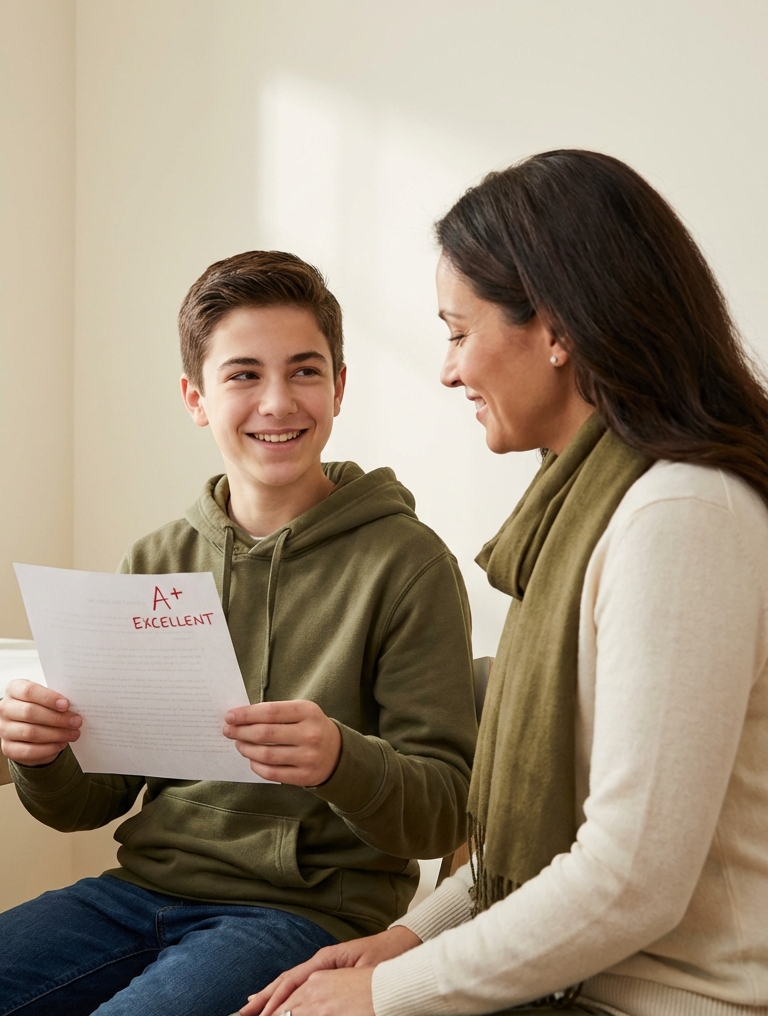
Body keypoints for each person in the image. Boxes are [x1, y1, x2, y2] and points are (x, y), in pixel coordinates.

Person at [0, 251, 478, 1016]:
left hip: (305, 914)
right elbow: (92, 802)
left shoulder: (408, 563)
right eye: (244, 374)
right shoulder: (155, 560)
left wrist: (338, 760)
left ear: (340, 387)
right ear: (196, 396)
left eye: (306, 371)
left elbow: (447, 812)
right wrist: (43, 754)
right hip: (138, 892)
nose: (278, 402)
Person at [244, 151, 768, 1016]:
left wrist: (381, 995)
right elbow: (537, 842)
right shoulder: (580, 512)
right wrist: (408, 937)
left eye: (458, 331)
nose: (448, 370)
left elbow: (629, 879)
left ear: (557, 328)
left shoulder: (681, 515)